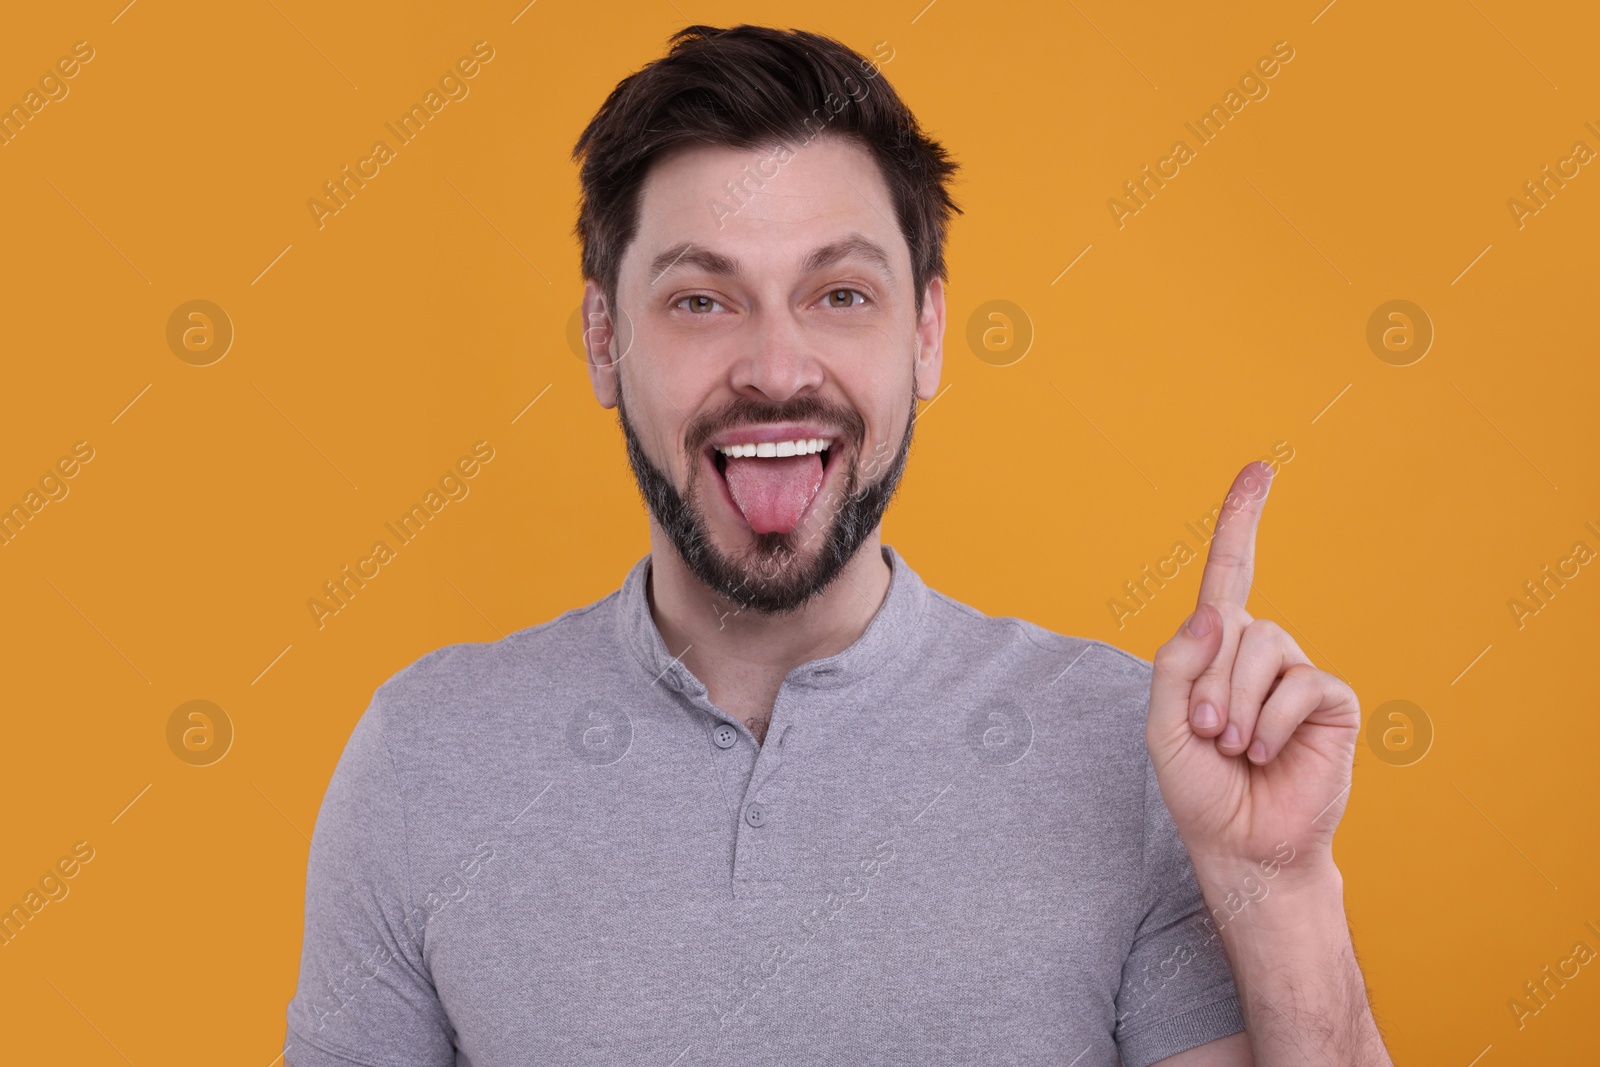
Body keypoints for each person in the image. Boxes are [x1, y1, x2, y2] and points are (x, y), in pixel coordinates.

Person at [283, 24, 1392, 1066]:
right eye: (702, 299)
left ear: (925, 336)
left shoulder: (1131, 756)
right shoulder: (426, 760)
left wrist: (1280, 892)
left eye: (841, 293)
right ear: (602, 339)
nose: (775, 365)